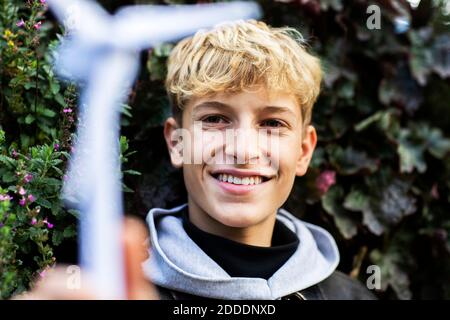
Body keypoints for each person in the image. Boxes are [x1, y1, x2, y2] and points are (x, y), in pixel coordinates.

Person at [19, 20, 375, 300]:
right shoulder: (112, 288)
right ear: (176, 142)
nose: (243, 150)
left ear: (303, 151)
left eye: (272, 123)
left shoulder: (351, 296)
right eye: (215, 119)